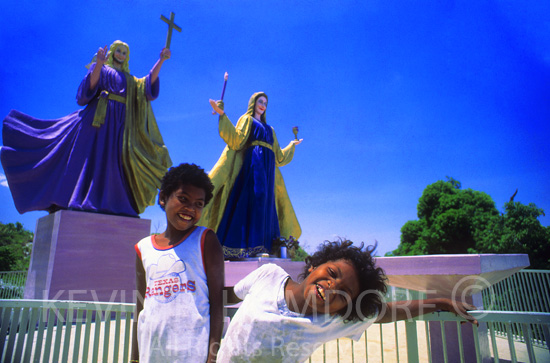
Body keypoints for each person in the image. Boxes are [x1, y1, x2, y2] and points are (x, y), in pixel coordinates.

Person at [218, 240, 478, 362]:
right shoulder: (269, 275)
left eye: (343, 293)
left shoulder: (333, 321)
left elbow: (387, 312)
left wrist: (441, 302)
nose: (332, 286)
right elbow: (224, 296)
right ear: (314, 266)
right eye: (331, 273)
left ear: (346, 307)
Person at [1, 40, 172, 217]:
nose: (121, 54)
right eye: (118, 50)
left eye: (124, 52)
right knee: (86, 159)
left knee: (112, 162)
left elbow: (146, 85)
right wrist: (99, 63)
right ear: (112, 52)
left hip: (119, 126)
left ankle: (111, 202)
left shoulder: (130, 81)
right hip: (96, 120)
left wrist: (161, 61)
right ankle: (77, 198)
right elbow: (88, 89)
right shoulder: (103, 69)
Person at [131, 163, 224, 362]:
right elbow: (141, 308)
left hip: (191, 355)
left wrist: (212, 357)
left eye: (199, 204)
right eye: (183, 199)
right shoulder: (143, 248)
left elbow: (217, 304)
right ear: (163, 198)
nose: (190, 208)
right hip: (151, 353)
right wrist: (135, 357)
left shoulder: (205, 240)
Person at [200, 92, 303, 258]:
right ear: (253, 103)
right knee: (257, 197)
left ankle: (267, 247)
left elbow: (279, 157)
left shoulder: (271, 130)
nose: (263, 105)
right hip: (254, 164)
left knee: (268, 204)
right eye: (260, 101)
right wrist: (222, 115)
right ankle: (252, 246)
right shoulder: (247, 120)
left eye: (265, 103)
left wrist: (292, 144)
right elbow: (236, 139)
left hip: (268, 170)